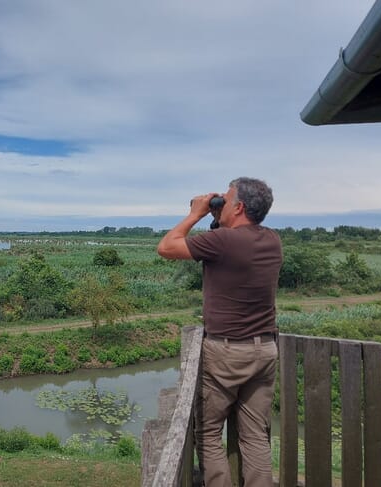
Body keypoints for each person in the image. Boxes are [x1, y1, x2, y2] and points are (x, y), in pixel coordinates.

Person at [157, 177, 282, 487]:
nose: (220, 203)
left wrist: (196, 213)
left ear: (238, 207)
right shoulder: (272, 240)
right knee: (255, 436)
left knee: (209, 434)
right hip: (264, 350)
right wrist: (218, 217)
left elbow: (166, 247)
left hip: (226, 352)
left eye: (226, 200)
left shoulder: (224, 243)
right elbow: (227, 242)